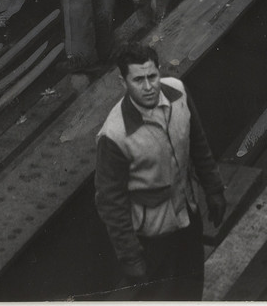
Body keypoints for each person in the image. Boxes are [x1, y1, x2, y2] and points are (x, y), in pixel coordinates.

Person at [94, 41, 225, 300]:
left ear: (159, 71)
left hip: (188, 217)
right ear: (123, 82)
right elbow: (110, 202)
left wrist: (214, 189)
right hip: (153, 236)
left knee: (192, 288)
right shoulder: (114, 134)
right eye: (138, 80)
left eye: (152, 76)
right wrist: (131, 257)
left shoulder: (178, 93)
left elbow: (198, 143)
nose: (148, 87)